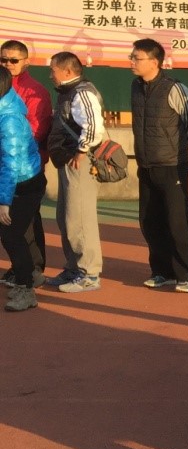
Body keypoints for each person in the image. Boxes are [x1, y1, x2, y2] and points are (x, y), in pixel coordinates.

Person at [128, 38, 188, 292]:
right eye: (132, 57)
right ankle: (162, 272)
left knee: (177, 222)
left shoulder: (174, 88)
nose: (132, 62)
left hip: (172, 165)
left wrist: (179, 150)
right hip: (146, 164)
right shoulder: (136, 87)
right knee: (150, 221)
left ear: (155, 62)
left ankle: (187, 275)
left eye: (137, 58)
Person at [44, 52, 106, 294]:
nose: (50, 75)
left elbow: (93, 125)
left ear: (67, 71)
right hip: (69, 162)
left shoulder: (82, 92)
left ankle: (89, 273)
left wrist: (81, 151)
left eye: (53, 70)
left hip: (79, 162)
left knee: (79, 219)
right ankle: (74, 268)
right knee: (66, 218)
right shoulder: (68, 92)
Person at [0, 40, 50, 288]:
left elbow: (36, 131)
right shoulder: (6, 88)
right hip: (10, 169)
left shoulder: (34, 91)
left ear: (26, 62)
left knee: (23, 225)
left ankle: (32, 271)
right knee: (14, 228)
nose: (8, 64)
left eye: (14, 60)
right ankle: (21, 269)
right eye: (4, 59)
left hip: (26, 168)